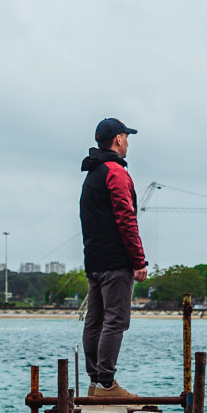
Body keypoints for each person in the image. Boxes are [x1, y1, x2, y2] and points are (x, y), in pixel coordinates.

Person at [79, 117, 148, 397]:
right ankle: (107, 384)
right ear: (118, 139)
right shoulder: (115, 172)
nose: (128, 142)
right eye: (126, 137)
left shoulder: (92, 173)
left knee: (94, 321)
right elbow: (126, 218)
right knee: (115, 321)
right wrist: (138, 260)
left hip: (94, 259)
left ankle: (96, 382)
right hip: (115, 261)